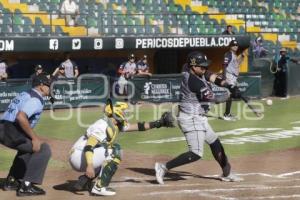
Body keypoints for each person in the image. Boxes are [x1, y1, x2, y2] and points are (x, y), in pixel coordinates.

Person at [154, 51, 243, 185]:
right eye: (202, 66)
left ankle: (227, 173)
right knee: (196, 153)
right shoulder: (194, 82)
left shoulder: (188, 69)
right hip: (190, 120)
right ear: (193, 66)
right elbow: (215, 99)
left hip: (198, 117)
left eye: (205, 66)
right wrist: (230, 95)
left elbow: (211, 76)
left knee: (215, 143)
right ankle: (163, 167)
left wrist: (228, 85)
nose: (204, 68)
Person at [68, 100, 174, 196]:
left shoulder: (114, 124)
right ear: (117, 113)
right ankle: (99, 187)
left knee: (107, 153)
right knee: (115, 150)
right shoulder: (102, 125)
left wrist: (159, 123)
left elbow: (138, 127)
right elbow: (89, 146)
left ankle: (85, 180)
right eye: (123, 111)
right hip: (79, 156)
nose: (125, 113)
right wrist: (90, 165)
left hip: (83, 156)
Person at [0, 74, 52, 196]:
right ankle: (26, 186)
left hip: (3, 127)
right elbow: (21, 117)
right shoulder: (36, 99)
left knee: (27, 149)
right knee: (43, 149)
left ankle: (12, 181)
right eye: (48, 85)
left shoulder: (25, 93)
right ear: (41, 86)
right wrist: (35, 138)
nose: (50, 87)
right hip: (11, 131)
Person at [222, 40, 246, 121]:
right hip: (229, 76)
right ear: (230, 46)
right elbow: (224, 65)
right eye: (233, 45)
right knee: (230, 94)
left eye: (236, 45)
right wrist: (224, 78)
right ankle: (226, 114)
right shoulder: (228, 54)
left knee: (230, 96)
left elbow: (237, 64)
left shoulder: (234, 55)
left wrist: (242, 56)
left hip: (233, 77)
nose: (235, 46)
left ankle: (227, 113)